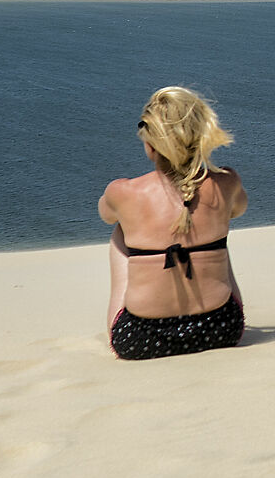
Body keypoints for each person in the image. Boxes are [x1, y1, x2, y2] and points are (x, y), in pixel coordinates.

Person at [100, 86, 249, 361]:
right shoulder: (227, 181)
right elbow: (238, 210)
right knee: (218, 230)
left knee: (121, 230)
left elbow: (106, 215)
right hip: (222, 330)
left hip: (139, 338)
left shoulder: (122, 191)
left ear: (150, 143)